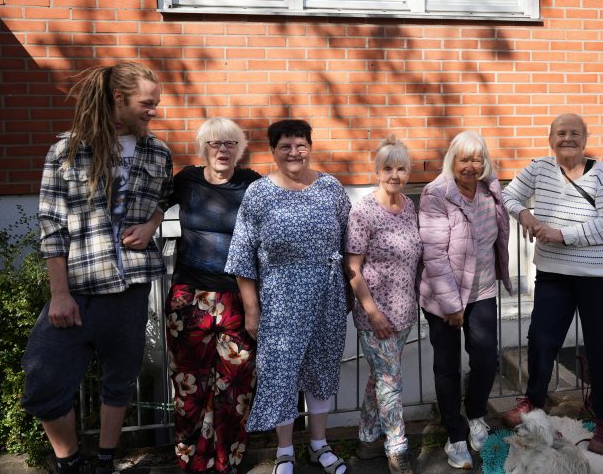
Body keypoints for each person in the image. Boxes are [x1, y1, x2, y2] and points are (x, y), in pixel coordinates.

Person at [21, 62, 173, 474]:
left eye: (155, 104)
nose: (153, 111)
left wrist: (152, 224)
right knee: (44, 383)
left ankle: (105, 461)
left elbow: (166, 193)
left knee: (120, 380)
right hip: (80, 286)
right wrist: (59, 293)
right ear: (118, 99)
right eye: (147, 103)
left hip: (131, 289)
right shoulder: (67, 151)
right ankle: (69, 463)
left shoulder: (157, 151)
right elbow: (52, 227)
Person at [225, 119, 351, 474]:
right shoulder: (259, 193)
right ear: (273, 152)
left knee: (322, 369)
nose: (294, 152)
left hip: (327, 297)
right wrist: (251, 309)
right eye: (285, 146)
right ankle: (284, 451)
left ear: (310, 148)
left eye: (300, 145)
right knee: (281, 373)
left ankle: (319, 444)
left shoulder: (330, 187)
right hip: (280, 301)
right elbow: (242, 254)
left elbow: (350, 242)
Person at [501, 113, 603, 456]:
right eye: (560, 133)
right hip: (554, 270)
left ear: (585, 139)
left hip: (600, 274)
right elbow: (508, 195)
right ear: (550, 139)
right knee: (541, 339)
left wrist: (561, 234)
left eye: (574, 133)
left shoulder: (601, 173)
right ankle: (533, 402)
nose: (567, 138)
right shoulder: (540, 167)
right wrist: (524, 214)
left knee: (600, 348)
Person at [165, 118, 260, 473]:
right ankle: (191, 462)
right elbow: (152, 205)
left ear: (239, 149)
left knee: (235, 388)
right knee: (189, 387)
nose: (222, 150)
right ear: (203, 148)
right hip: (188, 299)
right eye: (215, 144)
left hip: (237, 298)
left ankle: (227, 462)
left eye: (230, 144)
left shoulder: (253, 185)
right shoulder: (187, 180)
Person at [418, 131, 512, 470]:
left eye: (477, 159)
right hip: (444, 297)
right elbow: (434, 254)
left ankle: (474, 414)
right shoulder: (436, 194)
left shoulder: (490, 189)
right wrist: (452, 305)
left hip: (483, 289)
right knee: (447, 366)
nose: (471, 166)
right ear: (452, 161)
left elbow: (499, 234)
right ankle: (454, 434)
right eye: (464, 159)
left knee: (486, 360)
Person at [345, 136, 422, 474]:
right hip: (375, 313)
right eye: (388, 167)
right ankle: (397, 447)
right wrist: (373, 312)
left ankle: (366, 438)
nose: (395, 174)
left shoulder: (410, 206)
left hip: (405, 310)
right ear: (376, 171)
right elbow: (353, 268)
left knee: (381, 377)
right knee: (390, 379)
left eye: (401, 168)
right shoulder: (363, 210)